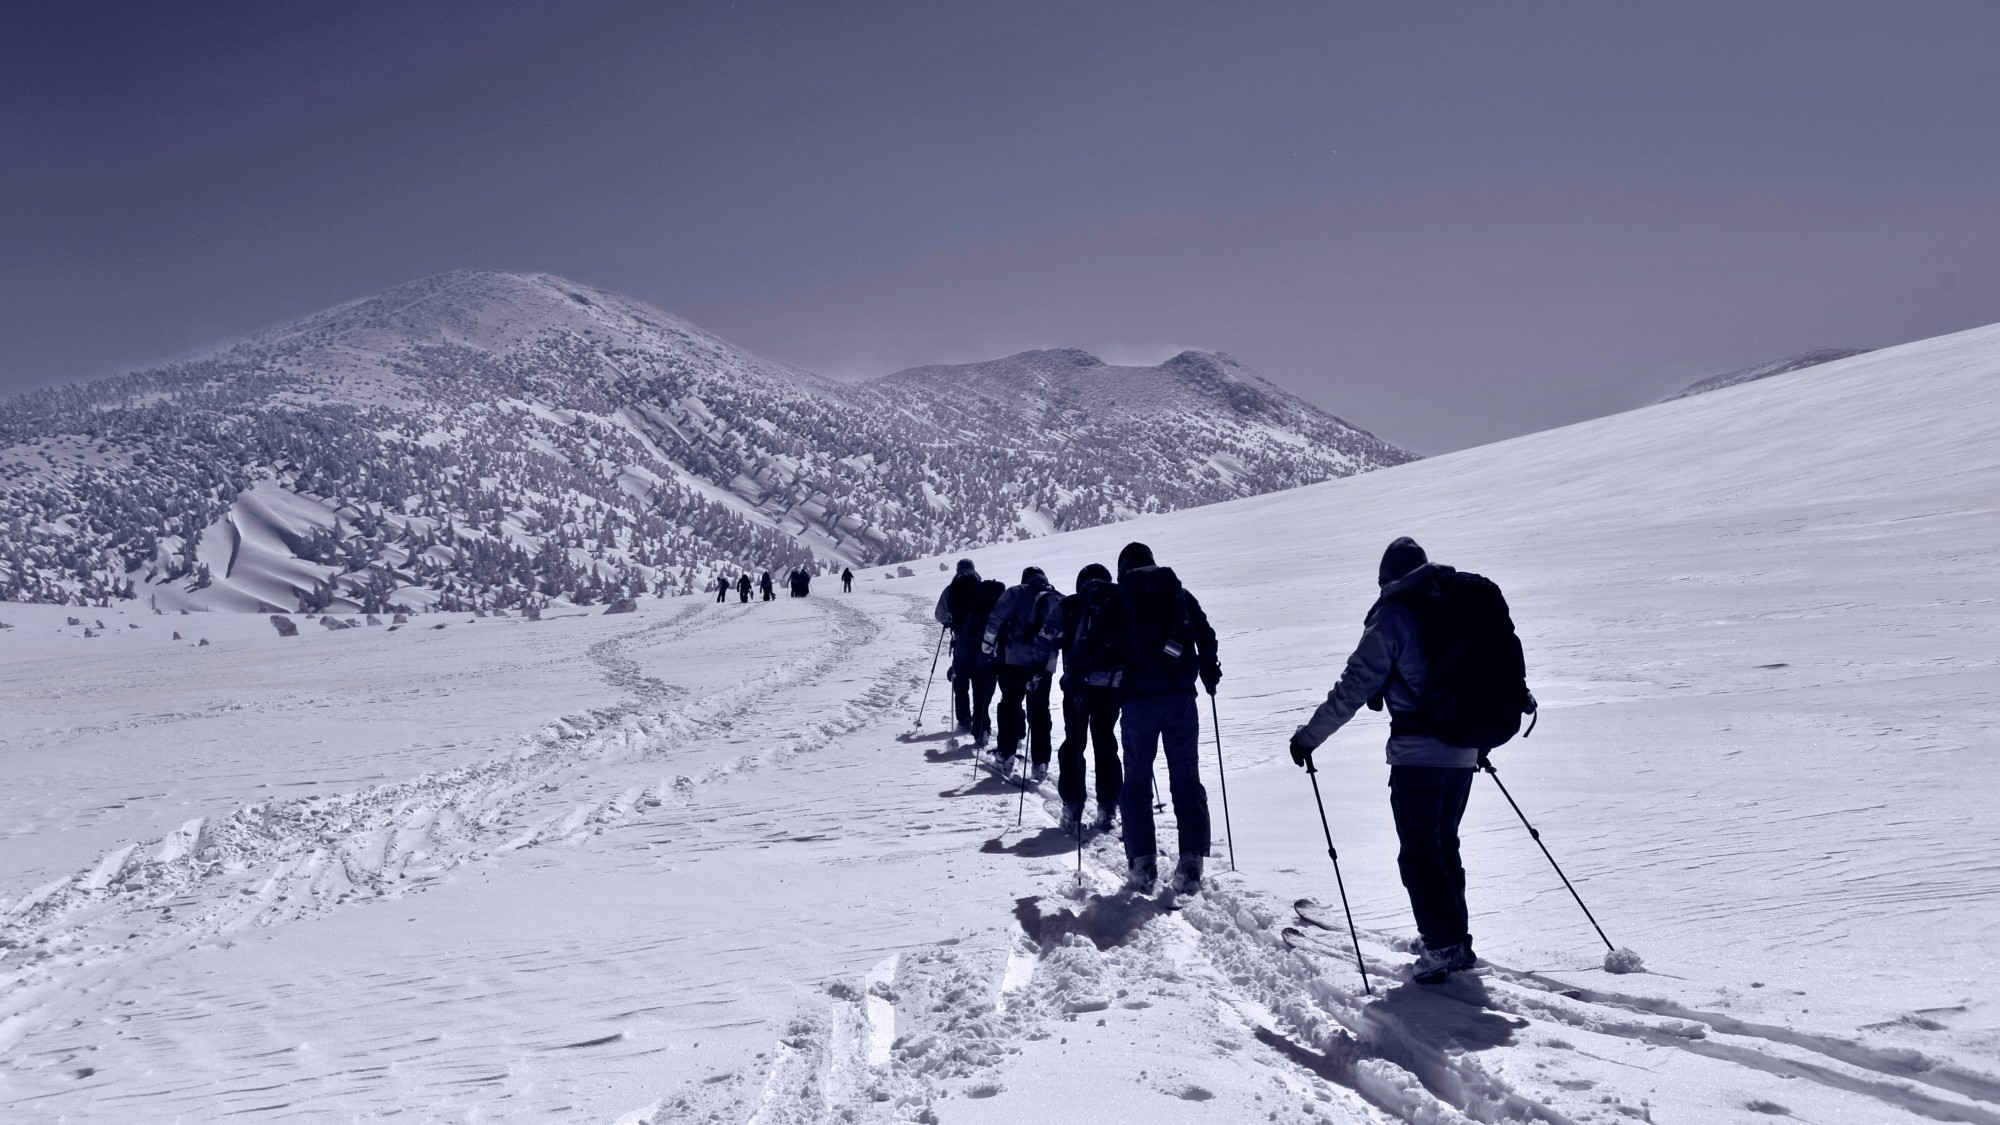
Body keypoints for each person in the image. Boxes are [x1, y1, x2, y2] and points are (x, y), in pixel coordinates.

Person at [1285, 536, 1529, 985]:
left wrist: (1308, 738)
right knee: (1445, 845)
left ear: (1387, 579)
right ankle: (1451, 938)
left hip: (1419, 754)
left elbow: (1354, 686)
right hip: (1464, 750)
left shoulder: (1395, 615)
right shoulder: (1455, 603)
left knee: (1419, 852)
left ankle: (1443, 943)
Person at [1113, 542, 1220, 895]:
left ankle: (1143, 863)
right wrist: (1209, 670)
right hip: (1181, 700)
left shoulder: (1121, 600)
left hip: (1138, 704)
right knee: (1186, 778)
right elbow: (1205, 636)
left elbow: (1106, 646)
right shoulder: (1177, 594)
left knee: (1136, 783)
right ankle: (1191, 863)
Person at [1050, 563, 1123, 837]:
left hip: (1077, 686)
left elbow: (1047, 637)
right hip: (1112, 685)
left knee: (1075, 742)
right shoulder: (1120, 602)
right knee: (1106, 742)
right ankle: (1108, 804)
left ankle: (1073, 805)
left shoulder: (1070, 605)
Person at [982, 567, 1062, 782]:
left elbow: (996, 618)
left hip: (1015, 661)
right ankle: (1041, 762)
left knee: (1010, 705)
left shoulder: (1015, 592)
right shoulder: (1056, 597)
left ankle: (1006, 754)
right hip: (1044, 665)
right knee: (1040, 711)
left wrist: (987, 643)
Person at [933, 559, 985, 734]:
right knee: (979, 680)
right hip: (983, 641)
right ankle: (981, 722)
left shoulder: (952, 588)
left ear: (957, 570)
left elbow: (940, 615)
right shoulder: (982, 587)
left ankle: (964, 720)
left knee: (961, 679)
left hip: (962, 641)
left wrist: (951, 622)